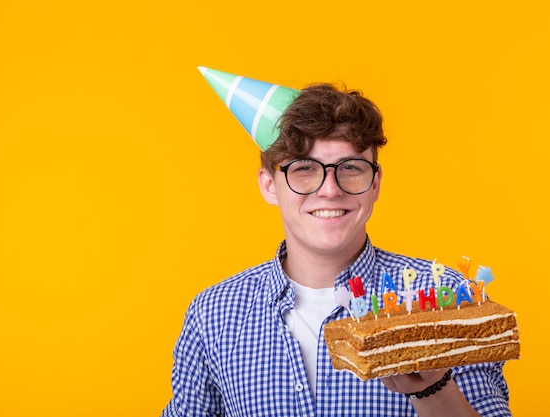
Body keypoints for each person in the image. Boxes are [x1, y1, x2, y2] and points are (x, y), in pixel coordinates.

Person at [161, 79, 512, 416]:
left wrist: (430, 388)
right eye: (304, 169)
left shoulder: (445, 296)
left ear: (375, 183)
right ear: (269, 185)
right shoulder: (212, 315)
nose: (330, 189)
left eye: (351, 168)